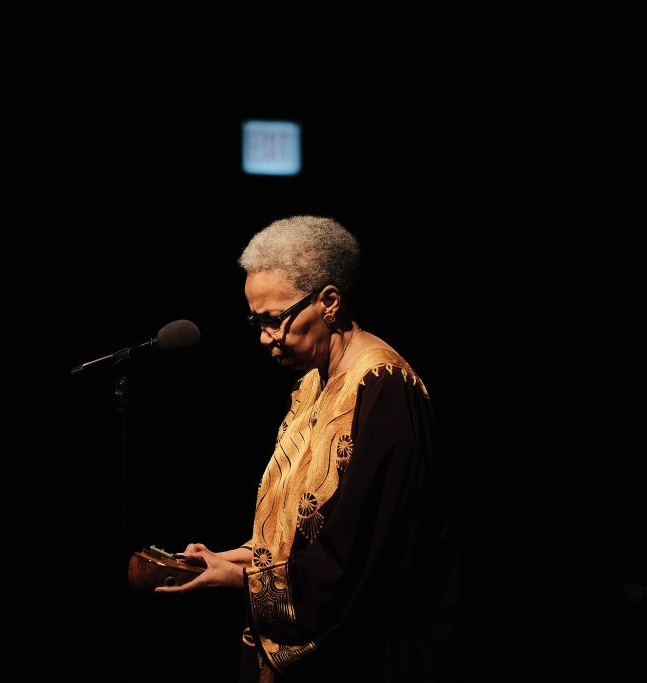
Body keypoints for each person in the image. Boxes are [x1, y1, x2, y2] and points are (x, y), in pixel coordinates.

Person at [155, 215, 460, 682]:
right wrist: (231, 558)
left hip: (364, 655)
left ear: (330, 302)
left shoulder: (384, 391)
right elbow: (300, 529)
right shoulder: (312, 384)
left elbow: (358, 557)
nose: (264, 338)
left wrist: (242, 580)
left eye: (275, 320)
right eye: (255, 321)